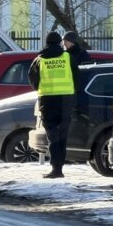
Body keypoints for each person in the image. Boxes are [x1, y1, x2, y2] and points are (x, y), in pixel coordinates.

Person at [28, 31, 76, 179]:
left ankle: (56, 168)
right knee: (63, 135)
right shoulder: (67, 57)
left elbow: (32, 79)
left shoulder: (39, 60)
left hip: (47, 101)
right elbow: (77, 76)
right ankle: (59, 165)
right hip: (66, 100)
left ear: (47, 43)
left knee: (52, 136)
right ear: (59, 43)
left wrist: (41, 88)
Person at [62, 31, 89, 109]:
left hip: (77, 87)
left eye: (65, 41)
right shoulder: (83, 53)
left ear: (71, 42)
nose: (64, 44)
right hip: (77, 88)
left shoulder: (70, 55)